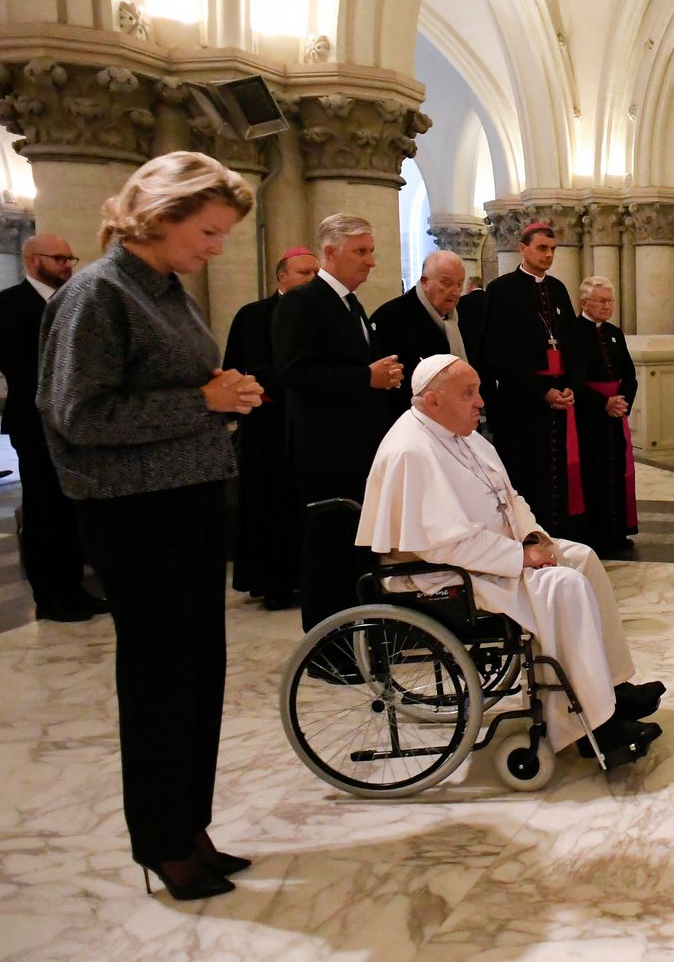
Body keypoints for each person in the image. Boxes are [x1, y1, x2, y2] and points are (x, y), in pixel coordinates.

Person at [36, 151, 263, 901]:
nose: (216, 249)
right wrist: (205, 402)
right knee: (161, 680)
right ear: (159, 219)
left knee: (199, 675)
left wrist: (222, 397)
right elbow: (78, 417)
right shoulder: (97, 294)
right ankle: (162, 841)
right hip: (136, 515)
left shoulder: (164, 289)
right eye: (207, 232)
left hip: (189, 499)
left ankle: (189, 824)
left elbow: (185, 387)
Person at [357, 354, 665, 766]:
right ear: (431, 400)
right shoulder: (412, 449)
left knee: (582, 558)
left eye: (478, 391)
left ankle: (611, 687)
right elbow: (442, 544)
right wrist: (521, 557)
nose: (480, 402)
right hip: (442, 574)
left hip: (487, 555)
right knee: (563, 584)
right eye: (469, 393)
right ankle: (595, 726)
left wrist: (534, 537)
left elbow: (510, 497)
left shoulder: (462, 434)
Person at [272, 214, 403, 634]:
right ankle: (328, 647)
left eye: (371, 250)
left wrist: (383, 376)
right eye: (360, 251)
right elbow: (295, 372)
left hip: (356, 448)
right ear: (330, 253)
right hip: (325, 453)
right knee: (327, 553)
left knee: (354, 551)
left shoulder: (350, 303)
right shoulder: (303, 301)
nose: (370, 261)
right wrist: (368, 377)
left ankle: (359, 636)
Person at [0, 235, 105, 622]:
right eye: (58, 258)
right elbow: (18, 364)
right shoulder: (9, 305)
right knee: (44, 509)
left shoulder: (76, 301)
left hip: (78, 422)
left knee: (72, 507)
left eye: (69, 257)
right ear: (31, 260)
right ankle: (50, 596)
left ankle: (75, 587)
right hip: (36, 420)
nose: (67, 264)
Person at [222, 246, 320, 610]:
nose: (311, 279)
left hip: (307, 427)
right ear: (281, 277)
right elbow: (236, 367)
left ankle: (301, 579)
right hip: (267, 429)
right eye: (303, 273)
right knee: (269, 507)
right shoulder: (252, 316)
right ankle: (273, 583)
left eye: (315, 273)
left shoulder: (319, 314)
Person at [478, 221, 587, 540]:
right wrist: (542, 391)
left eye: (553, 249)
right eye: (542, 248)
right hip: (523, 405)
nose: (549, 255)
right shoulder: (501, 290)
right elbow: (497, 354)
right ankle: (529, 538)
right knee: (529, 473)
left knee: (560, 474)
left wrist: (571, 387)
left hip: (560, 401)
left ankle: (561, 534)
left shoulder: (557, 289)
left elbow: (573, 346)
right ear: (522, 248)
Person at [370, 249, 482, 419]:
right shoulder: (392, 317)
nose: (455, 291)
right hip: (412, 419)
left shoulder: (463, 317)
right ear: (425, 282)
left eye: (459, 284)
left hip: (456, 416)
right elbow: (389, 383)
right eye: (446, 283)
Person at [575, 276, 639, 557]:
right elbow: (574, 380)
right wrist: (603, 403)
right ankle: (596, 535)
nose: (607, 306)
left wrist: (622, 401)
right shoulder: (572, 332)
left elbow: (629, 375)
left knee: (617, 472)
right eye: (601, 301)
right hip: (588, 417)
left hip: (615, 414)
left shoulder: (615, 333)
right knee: (594, 474)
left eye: (610, 300)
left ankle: (618, 531)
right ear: (584, 302)